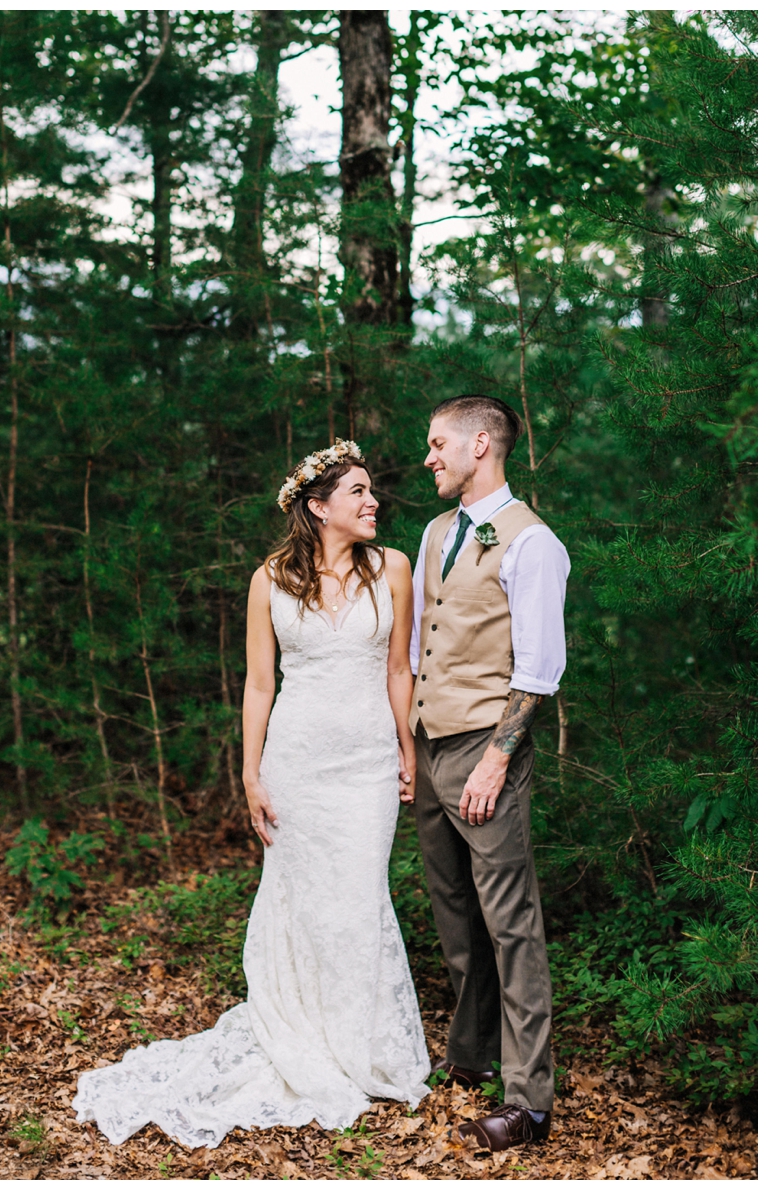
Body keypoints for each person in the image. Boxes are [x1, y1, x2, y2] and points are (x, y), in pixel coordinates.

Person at [72, 439, 430, 1148]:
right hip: (296, 763)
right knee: (301, 901)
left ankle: (364, 1049)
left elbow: (399, 669)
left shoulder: (393, 567)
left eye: (372, 491)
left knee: (359, 899)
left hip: (364, 765)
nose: (373, 502)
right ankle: (306, 1039)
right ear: (319, 507)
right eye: (358, 492)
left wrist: (407, 745)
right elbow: (260, 684)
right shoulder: (269, 579)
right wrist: (250, 772)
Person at [408, 394, 570, 1153]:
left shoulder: (532, 542)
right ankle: (468, 1058)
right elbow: (418, 648)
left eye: (439, 445)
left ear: (481, 445)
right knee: (455, 917)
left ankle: (529, 1103)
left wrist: (497, 760)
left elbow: (537, 671)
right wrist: (410, 747)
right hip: (430, 745)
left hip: (485, 749)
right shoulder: (437, 530)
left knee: (511, 925)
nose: (430, 458)